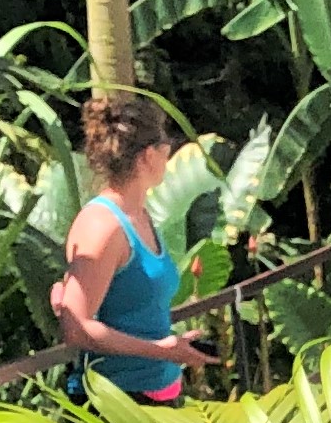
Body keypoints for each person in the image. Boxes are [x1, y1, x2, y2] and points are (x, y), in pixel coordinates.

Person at [51, 94, 214, 402]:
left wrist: (171, 348)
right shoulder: (103, 226)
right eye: (166, 145)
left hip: (159, 392)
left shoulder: (140, 213)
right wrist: (160, 350)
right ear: (148, 155)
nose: (169, 153)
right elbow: (76, 327)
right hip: (119, 402)